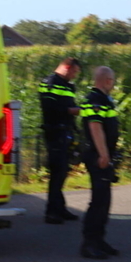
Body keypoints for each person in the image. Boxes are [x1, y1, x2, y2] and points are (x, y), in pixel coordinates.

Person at [80, 66, 120, 259]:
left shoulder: (103, 99)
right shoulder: (95, 100)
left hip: (104, 155)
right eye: (112, 80)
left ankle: (99, 240)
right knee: (98, 201)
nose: (113, 83)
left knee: (104, 200)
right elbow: (96, 127)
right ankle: (89, 243)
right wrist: (103, 154)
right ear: (107, 81)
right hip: (97, 156)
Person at [39, 57, 82, 224]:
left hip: (65, 132)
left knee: (63, 171)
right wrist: (71, 111)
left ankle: (60, 208)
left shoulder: (66, 85)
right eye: (74, 72)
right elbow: (49, 108)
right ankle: (51, 212)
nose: (75, 76)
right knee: (57, 172)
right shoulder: (50, 82)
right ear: (66, 67)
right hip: (55, 132)